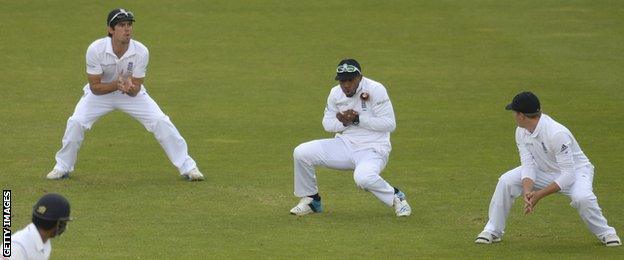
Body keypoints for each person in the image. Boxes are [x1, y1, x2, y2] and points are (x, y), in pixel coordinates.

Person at [46, 8, 203, 181]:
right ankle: (62, 166)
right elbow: (95, 87)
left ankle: (189, 167)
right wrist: (116, 84)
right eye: (122, 25)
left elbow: (136, 89)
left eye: (129, 25)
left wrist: (130, 88)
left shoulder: (141, 51)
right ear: (111, 30)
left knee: (160, 121)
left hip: (129, 95)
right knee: (76, 122)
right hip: (100, 95)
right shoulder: (95, 49)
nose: (127, 29)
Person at [475, 91, 621, 247]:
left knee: (582, 198)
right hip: (544, 169)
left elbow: (568, 174)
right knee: (506, 181)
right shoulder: (521, 131)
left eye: (514, 112)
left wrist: (539, 194)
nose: (514, 116)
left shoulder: (556, 133)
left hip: (576, 172)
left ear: (521, 116)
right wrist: (528, 191)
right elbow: (528, 164)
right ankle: (492, 230)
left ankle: (607, 233)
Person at [289, 58, 411, 217]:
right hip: (344, 145)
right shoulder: (335, 93)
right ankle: (312, 200)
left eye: (350, 80)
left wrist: (357, 119)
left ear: (360, 78)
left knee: (363, 179)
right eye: (342, 81)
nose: (346, 85)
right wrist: (344, 122)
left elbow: (389, 124)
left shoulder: (376, 89)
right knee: (301, 152)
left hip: (373, 148)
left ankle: (396, 196)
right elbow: (327, 124)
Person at [10, 193, 72, 260]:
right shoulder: (17, 247)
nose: (64, 226)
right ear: (57, 224)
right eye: (63, 222)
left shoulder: (45, 242)